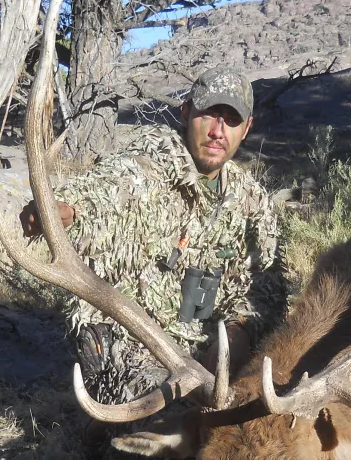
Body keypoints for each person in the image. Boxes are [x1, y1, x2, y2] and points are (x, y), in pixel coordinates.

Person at [19, 67, 283, 405]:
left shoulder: (251, 202)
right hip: (133, 340)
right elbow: (106, 191)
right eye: (208, 115)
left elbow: (266, 291)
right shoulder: (147, 164)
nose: (218, 132)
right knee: (164, 414)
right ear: (186, 113)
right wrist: (64, 212)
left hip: (209, 348)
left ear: (246, 129)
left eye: (230, 121)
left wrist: (237, 334)